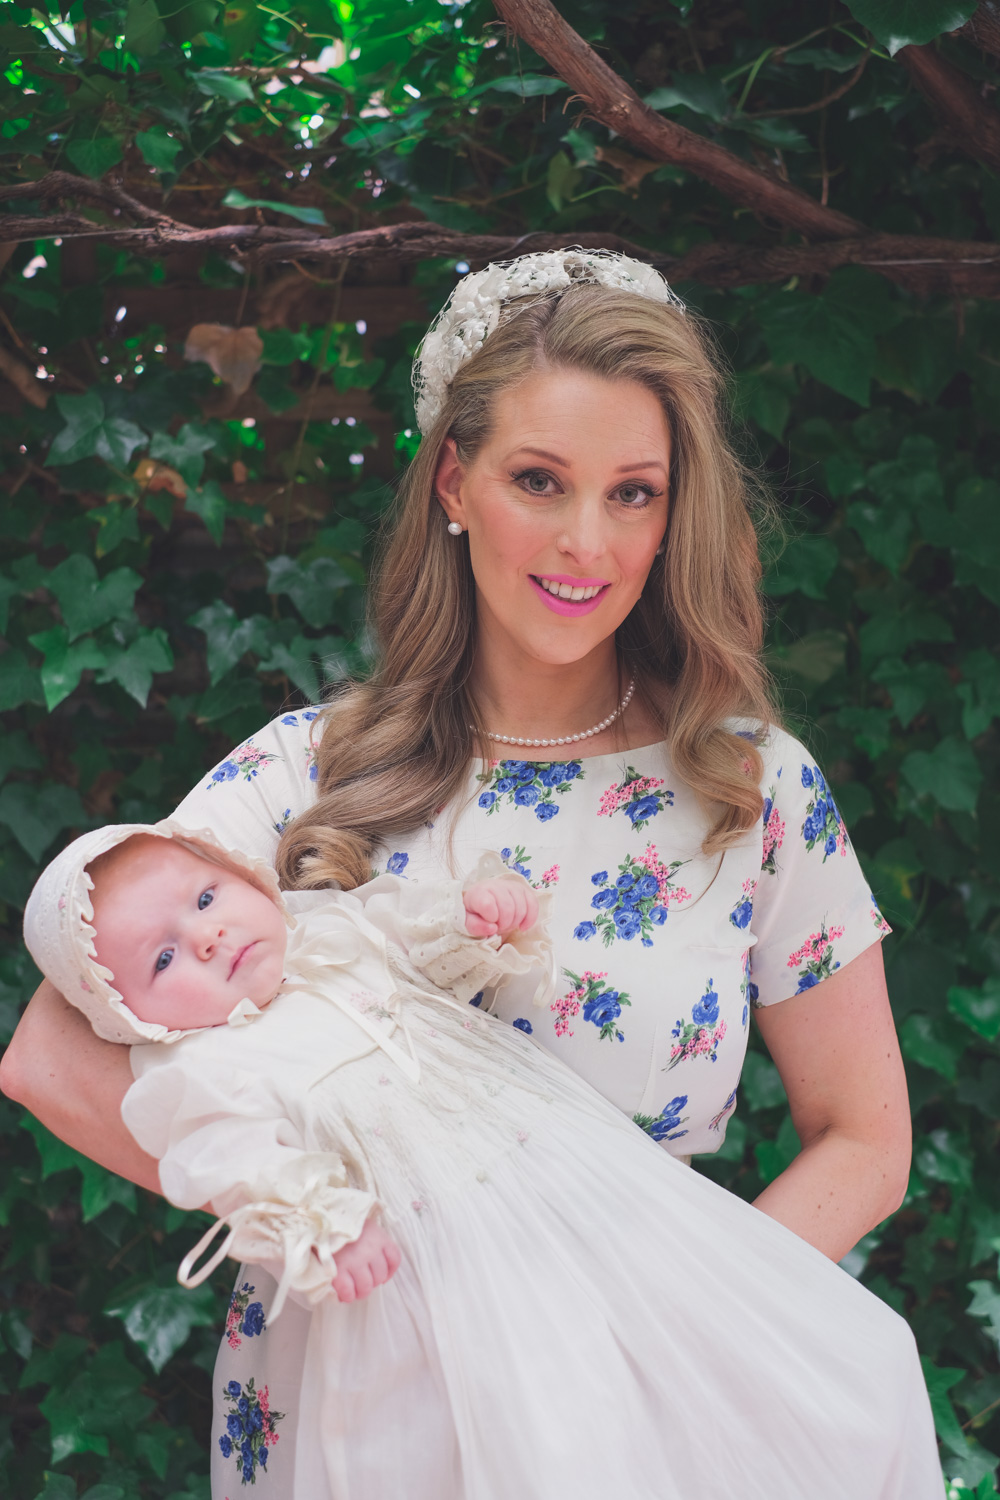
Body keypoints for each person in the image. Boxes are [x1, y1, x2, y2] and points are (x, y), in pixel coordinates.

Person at [1, 249, 927, 1492]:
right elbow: (48, 1056)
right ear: (453, 479)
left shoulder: (751, 791)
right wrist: (302, 1214)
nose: (585, 540)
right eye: (538, 480)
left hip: (644, 1408)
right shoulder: (297, 777)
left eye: (633, 494)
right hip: (358, 1418)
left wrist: (675, 1323)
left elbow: (864, 1137)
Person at [23, 819, 939, 1499]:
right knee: (516, 1450)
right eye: (165, 956)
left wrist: (478, 925)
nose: (209, 934)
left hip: (566, 1187)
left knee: (827, 1368)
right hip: (424, 1273)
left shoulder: (335, 935)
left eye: (207, 897)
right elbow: (235, 1162)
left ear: (243, 875)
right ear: (131, 1019)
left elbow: (428, 944)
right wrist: (324, 1226)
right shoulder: (207, 1067)